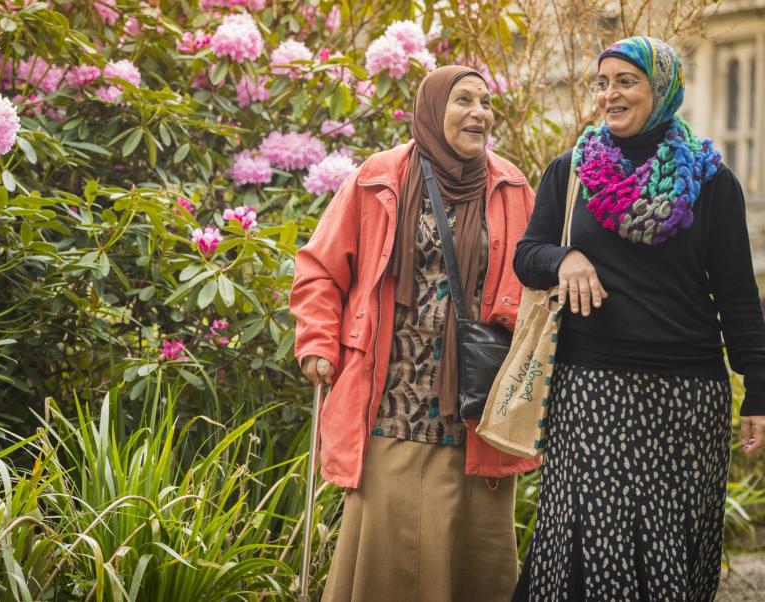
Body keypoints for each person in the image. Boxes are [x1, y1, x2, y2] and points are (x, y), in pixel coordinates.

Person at [511, 36, 765, 601]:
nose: (609, 95)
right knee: (584, 550)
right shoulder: (571, 172)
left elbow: (738, 298)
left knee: (670, 556)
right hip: (591, 386)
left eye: (626, 81)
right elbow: (527, 257)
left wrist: (760, 391)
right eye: (602, 83)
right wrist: (564, 257)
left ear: (663, 89)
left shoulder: (710, 182)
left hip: (687, 399)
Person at [290, 65, 541, 602]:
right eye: (464, 100)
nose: (479, 112)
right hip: (391, 403)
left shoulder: (512, 186)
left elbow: (535, 277)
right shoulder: (380, 178)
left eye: (486, 102)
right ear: (431, 109)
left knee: (477, 559)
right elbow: (320, 269)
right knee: (387, 560)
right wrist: (316, 341)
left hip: (477, 408)